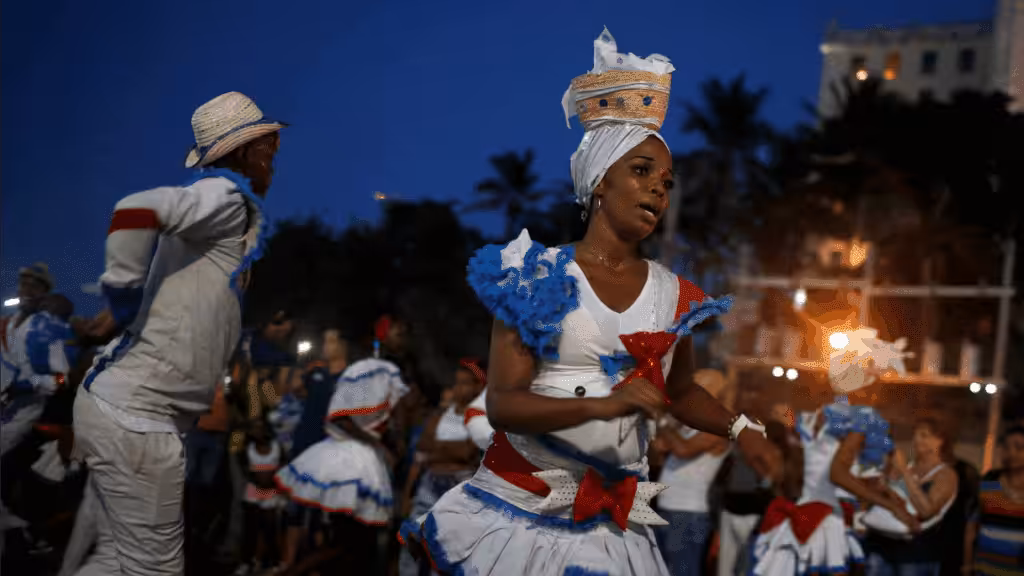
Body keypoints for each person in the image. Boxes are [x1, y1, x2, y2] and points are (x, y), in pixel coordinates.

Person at [398, 28, 779, 576]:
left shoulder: (674, 294)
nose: (658, 190)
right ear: (600, 181)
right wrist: (605, 404)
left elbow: (681, 392)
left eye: (666, 182)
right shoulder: (536, 275)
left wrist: (740, 428)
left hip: (610, 525)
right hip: (516, 512)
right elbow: (503, 403)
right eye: (641, 172)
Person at [70, 91, 284, 576]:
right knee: (155, 569)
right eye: (270, 149)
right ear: (248, 152)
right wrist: (122, 294)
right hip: (138, 417)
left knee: (117, 560)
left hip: (127, 410)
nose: (275, 160)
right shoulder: (226, 195)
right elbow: (134, 211)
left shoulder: (223, 209)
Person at [750, 326, 916, 576]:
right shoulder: (858, 419)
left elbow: (807, 468)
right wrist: (890, 506)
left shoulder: (813, 418)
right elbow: (838, 474)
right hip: (828, 520)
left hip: (802, 513)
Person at [274, 315, 411, 575]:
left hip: (363, 458)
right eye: (398, 333)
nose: (404, 339)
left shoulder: (386, 369)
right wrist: (380, 444)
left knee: (355, 545)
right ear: (381, 337)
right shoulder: (367, 370)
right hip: (353, 461)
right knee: (349, 542)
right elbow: (342, 417)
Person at [399, 359, 488, 576]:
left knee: (448, 549)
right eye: (457, 382)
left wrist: (437, 450)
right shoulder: (439, 416)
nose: (458, 388)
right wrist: (407, 494)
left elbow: (466, 453)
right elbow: (421, 453)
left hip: (460, 488)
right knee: (412, 541)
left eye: (465, 383)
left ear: (478, 386)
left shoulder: (482, 419)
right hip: (430, 484)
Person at [280, 327, 349, 572]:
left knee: (322, 512)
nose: (325, 346)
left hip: (330, 451)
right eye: (324, 341)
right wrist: (304, 367)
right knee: (295, 506)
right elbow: (294, 389)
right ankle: (288, 564)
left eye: (331, 341)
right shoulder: (317, 371)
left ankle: (318, 568)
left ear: (343, 345)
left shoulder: (351, 378)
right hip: (303, 446)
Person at [652, 369, 732, 575]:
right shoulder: (690, 423)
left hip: (688, 513)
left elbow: (683, 449)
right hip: (668, 508)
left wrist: (661, 419)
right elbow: (660, 446)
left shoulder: (720, 426)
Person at [862, 417, 958, 576]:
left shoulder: (946, 475)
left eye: (924, 435)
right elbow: (887, 502)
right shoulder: (907, 466)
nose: (916, 440)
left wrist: (904, 472)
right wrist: (884, 484)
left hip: (915, 556)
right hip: (880, 547)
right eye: (915, 434)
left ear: (940, 440)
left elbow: (926, 511)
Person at [963, 426, 1024, 575]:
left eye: (1019, 448)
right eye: (1006, 448)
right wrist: (967, 565)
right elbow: (971, 528)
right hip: (985, 569)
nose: (1011, 453)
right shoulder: (990, 482)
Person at [236, 418, 286, 575]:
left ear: (267, 429)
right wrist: (259, 481)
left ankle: (274, 562)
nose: (256, 431)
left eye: (260, 428)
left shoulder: (277, 447)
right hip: (254, 490)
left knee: (270, 529)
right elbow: (246, 471)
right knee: (250, 529)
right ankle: (246, 563)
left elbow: (284, 467)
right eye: (253, 428)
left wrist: (272, 481)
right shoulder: (247, 449)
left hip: (272, 491)